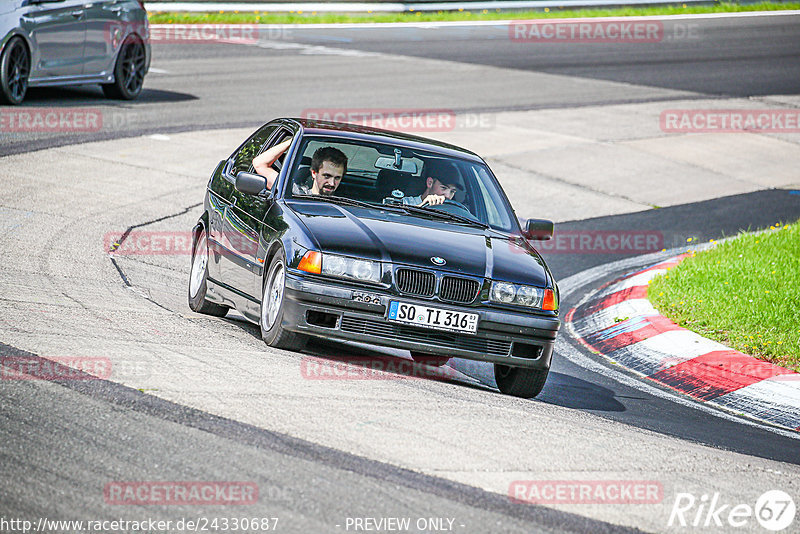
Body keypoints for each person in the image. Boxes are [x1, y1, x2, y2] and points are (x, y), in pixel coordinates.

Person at [253, 141, 347, 196]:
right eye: (327, 176)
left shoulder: (349, 203)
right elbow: (259, 163)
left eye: (337, 178)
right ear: (314, 173)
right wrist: (295, 141)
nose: (332, 183)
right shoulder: (294, 192)